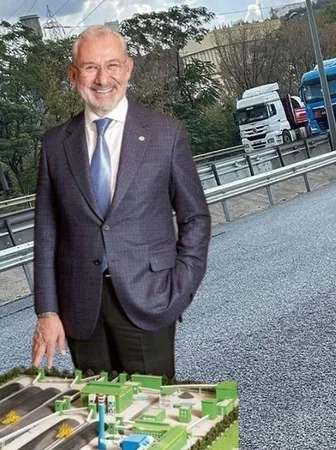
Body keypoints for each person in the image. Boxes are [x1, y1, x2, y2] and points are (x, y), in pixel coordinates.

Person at [30, 24, 211, 378]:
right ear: (73, 76)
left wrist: (181, 288)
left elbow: (196, 218)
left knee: (151, 408)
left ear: (128, 68)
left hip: (151, 297)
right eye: (90, 67)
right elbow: (46, 234)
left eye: (112, 65)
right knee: (96, 408)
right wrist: (47, 312)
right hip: (81, 310)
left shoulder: (166, 134)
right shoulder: (54, 145)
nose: (103, 79)